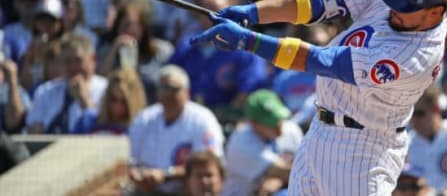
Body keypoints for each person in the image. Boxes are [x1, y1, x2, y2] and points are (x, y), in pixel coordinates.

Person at [190, 0, 447, 195]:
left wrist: (248, 41)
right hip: (320, 131)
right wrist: (254, 12)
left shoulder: (415, 56)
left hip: (362, 152)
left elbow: (319, 60)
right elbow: (321, 1)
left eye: (406, 7)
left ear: (435, 11)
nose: (395, 8)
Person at [128, 64, 224, 196]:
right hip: (146, 190)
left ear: (187, 93)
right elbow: (130, 159)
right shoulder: (145, 118)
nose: (167, 94)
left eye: (173, 89)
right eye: (163, 89)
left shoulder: (202, 119)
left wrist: (166, 174)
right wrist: (137, 175)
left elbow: (208, 167)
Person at [222, 89, 303, 196]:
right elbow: (284, 171)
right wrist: (281, 177)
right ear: (254, 123)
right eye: (271, 123)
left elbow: (304, 167)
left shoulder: (291, 129)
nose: (279, 128)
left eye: (279, 119)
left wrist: (279, 181)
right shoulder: (240, 142)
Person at [26, 34, 107, 134]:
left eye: (78, 60)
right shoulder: (45, 91)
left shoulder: (106, 90)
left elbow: (105, 132)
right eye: (67, 61)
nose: (73, 67)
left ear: (92, 60)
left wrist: (84, 101)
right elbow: (32, 130)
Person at [74, 68, 146, 134]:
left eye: (124, 102)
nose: (117, 106)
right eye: (113, 99)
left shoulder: (140, 129)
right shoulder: (87, 121)